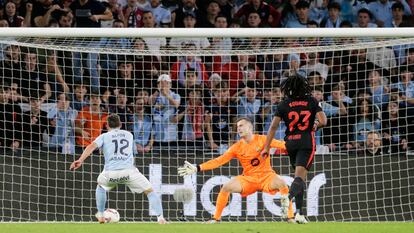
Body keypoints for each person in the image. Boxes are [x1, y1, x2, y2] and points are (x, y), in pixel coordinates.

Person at [178, 117, 293, 223]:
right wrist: (198, 168)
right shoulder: (236, 147)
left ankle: (290, 217)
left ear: (250, 127)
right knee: (226, 187)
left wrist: (302, 145)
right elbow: (219, 161)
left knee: (282, 183)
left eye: (241, 125)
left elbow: (284, 145)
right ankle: (216, 218)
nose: (238, 128)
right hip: (248, 179)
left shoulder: (263, 139)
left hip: (267, 176)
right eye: (237, 127)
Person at [69, 114, 167, 224]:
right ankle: (161, 218)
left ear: (106, 125)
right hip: (129, 172)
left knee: (100, 187)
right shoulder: (129, 135)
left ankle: (101, 215)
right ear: (120, 124)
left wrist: (80, 160)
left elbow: (91, 146)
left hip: (110, 174)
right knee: (150, 192)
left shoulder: (104, 136)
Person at [261, 75, 327, 224]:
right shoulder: (312, 101)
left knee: (299, 178)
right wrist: (315, 125)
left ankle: (300, 213)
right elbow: (323, 121)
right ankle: (288, 197)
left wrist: (266, 147)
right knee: (299, 178)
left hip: (290, 143)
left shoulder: (284, 104)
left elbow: (273, 127)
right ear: (304, 86)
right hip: (306, 142)